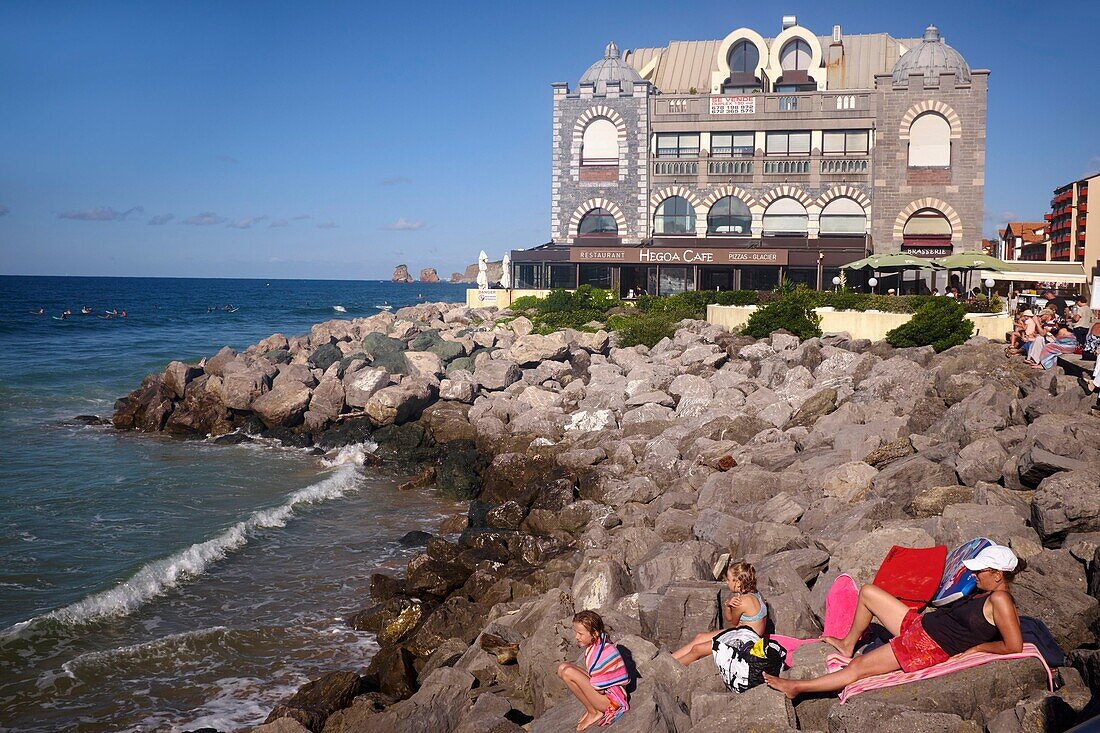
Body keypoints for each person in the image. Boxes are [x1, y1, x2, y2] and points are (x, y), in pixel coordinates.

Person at [764, 545, 1022, 699]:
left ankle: (797, 687)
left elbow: (1013, 646)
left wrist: (978, 649)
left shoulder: (1000, 601)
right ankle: (847, 643)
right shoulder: (988, 592)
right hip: (920, 625)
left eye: (980, 571)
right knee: (867, 593)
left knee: (858, 667)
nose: (973, 574)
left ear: (998, 574)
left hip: (925, 646)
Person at [673, 561, 767, 665]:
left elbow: (732, 625)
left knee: (698, 649)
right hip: (743, 633)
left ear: (738, 583)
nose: (727, 582)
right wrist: (728, 606)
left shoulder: (741, 603)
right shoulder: (755, 594)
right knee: (700, 638)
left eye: (729, 579)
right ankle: (669, 659)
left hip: (744, 642)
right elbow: (731, 620)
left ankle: (671, 668)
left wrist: (732, 607)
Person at [556, 610, 630, 730]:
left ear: (594, 634)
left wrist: (586, 683)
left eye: (580, 634)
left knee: (568, 672)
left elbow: (600, 689)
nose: (576, 637)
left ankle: (594, 712)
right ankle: (591, 708)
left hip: (611, 701)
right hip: (605, 693)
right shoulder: (596, 646)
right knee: (562, 668)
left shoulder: (606, 652)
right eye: (576, 633)